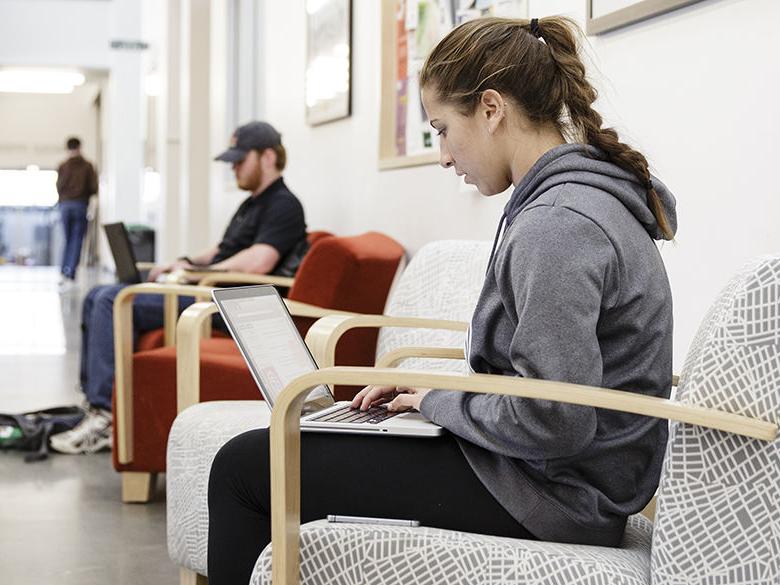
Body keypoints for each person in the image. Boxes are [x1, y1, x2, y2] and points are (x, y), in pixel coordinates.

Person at [205, 16, 679, 585]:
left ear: (491, 109)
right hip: (549, 476)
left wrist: (436, 403)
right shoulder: (572, 203)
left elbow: (556, 418)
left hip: (551, 496)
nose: (444, 156)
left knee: (244, 467)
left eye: (441, 129)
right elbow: (548, 390)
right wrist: (436, 393)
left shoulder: (558, 223)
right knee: (291, 452)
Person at [50, 121, 309, 454]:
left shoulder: (284, 205)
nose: (233, 168)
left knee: (112, 301)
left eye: (240, 160)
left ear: (268, 157)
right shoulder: (253, 203)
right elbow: (222, 249)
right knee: (95, 295)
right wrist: (183, 262)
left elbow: (259, 261)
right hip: (212, 290)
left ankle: (106, 416)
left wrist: (197, 273)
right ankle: (95, 403)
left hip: (227, 304)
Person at [56, 137, 98, 291]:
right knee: (77, 241)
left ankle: (63, 272)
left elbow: (59, 186)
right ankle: (71, 274)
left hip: (65, 206)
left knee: (67, 240)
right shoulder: (87, 166)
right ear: (80, 147)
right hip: (80, 205)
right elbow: (93, 188)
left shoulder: (63, 166)